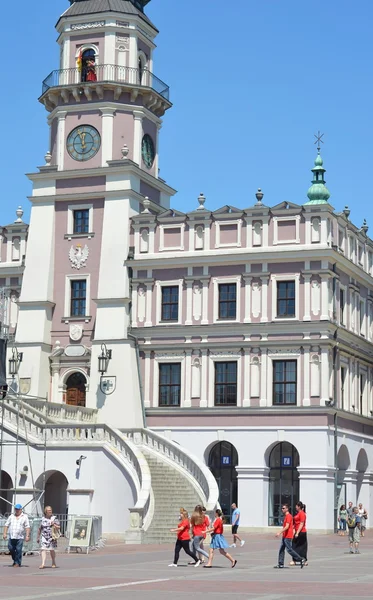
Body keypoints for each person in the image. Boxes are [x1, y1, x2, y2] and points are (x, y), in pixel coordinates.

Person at [274, 504, 305, 569]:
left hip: (288, 536)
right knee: (281, 549)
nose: (282, 509)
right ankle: (280, 564)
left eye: (283, 508)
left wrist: (279, 532)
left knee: (289, 550)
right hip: (285, 536)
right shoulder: (286, 516)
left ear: (287, 509)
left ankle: (300, 559)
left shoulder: (289, 516)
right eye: (282, 508)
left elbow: (287, 526)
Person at [291, 501, 308, 566]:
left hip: (301, 532)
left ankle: (303, 560)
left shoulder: (302, 514)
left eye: (296, 506)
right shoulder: (298, 513)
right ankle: (295, 560)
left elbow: (301, 523)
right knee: (295, 546)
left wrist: (297, 532)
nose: (295, 507)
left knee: (302, 546)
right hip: (297, 531)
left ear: (299, 507)